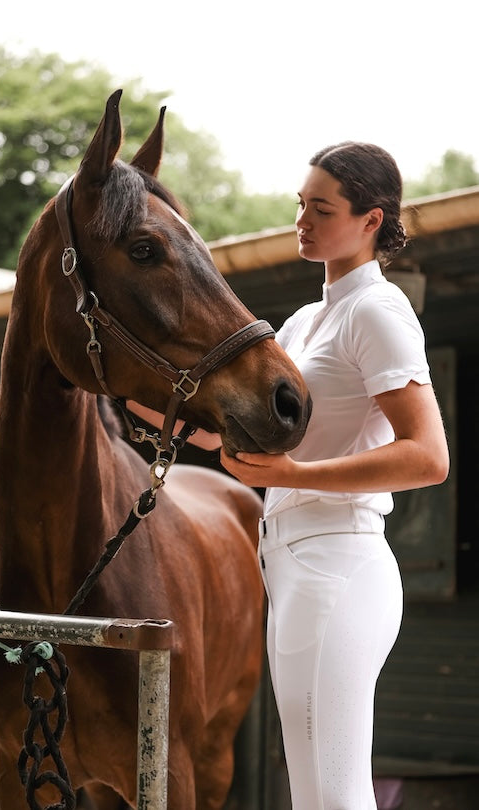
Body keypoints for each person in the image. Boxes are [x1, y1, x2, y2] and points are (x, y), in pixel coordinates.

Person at [219, 141, 450, 810]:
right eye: (301, 205)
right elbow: (233, 430)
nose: (303, 220)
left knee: (336, 793)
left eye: (323, 209)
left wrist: (297, 472)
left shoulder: (375, 310)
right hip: (291, 564)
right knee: (314, 792)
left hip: (339, 564)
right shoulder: (299, 323)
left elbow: (428, 456)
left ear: (371, 220)